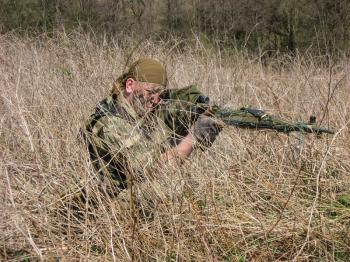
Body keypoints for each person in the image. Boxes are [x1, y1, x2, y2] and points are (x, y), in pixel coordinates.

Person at [82, 58, 221, 196]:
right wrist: (193, 137)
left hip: (119, 197)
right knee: (168, 186)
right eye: (151, 92)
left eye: (160, 94)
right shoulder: (111, 123)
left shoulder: (133, 112)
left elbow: (155, 146)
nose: (156, 100)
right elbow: (158, 170)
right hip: (104, 206)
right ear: (130, 85)